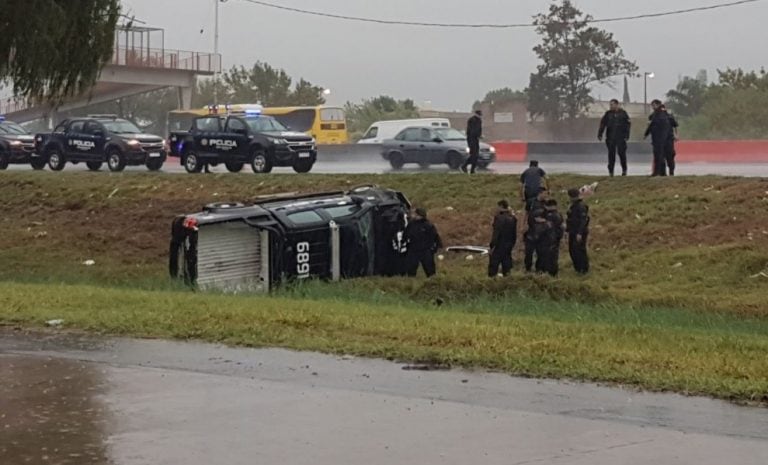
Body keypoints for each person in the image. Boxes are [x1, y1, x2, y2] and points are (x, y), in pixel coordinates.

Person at [404, 207, 443, 277]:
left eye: (414, 214)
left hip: (425, 250)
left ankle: (432, 283)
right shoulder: (411, 224)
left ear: (419, 215)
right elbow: (406, 235)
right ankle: (410, 284)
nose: (413, 215)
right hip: (413, 250)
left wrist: (434, 249)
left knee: (430, 270)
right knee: (411, 270)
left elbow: (435, 237)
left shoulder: (428, 225)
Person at [597, 99, 631, 176]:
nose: (610, 106)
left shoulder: (623, 113)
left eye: (612, 104)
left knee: (622, 153)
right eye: (610, 105)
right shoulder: (608, 114)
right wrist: (600, 134)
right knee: (611, 155)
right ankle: (611, 171)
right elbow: (603, 124)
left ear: (616, 104)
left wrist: (627, 135)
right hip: (611, 137)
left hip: (621, 137)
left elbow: (628, 125)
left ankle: (624, 170)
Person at [488, 200, 518, 277]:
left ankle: (492, 280)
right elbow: (514, 234)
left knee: (494, 265)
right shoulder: (513, 218)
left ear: (501, 206)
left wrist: (492, 245)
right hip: (509, 244)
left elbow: (496, 233)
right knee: (507, 263)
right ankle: (507, 279)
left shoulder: (499, 218)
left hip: (499, 244)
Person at [644, 99, 672, 176]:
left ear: (658, 105)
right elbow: (651, 125)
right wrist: (646, 134)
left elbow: (664, 127)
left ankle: (658, 172)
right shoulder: (654, 115)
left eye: (654, 105)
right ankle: (660, 172)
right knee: (658, 155)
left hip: (660, 138)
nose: (653, 107)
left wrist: (663, 138)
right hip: (656, 138)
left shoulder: (662, 115)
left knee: (660, 156)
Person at [566, 188, 590, 274]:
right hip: (573, 231)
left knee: (579, 250)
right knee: (572, 250)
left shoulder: (580, 206)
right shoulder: (573, 205)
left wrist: (579, 233)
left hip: (579, 232)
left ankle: (583, 269)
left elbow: (583, 220)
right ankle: (578, 268)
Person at [541, 199, 564, 276]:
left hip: (550, 239)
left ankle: (550, 273)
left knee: (549, 257)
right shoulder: (559, 214)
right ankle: (553, 272)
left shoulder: (551, 216)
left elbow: (548, 227)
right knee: (554, 256)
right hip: (556, 238)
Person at [524, 203, 549, 273]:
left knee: (529, 254)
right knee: (540, 255)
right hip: (538, 239)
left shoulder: (532, 215)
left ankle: (529, 269)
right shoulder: (545, 220)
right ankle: (538, 269)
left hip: (531, 237)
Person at [462, 109, 483, 174]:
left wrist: (479, 135)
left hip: (475, 139)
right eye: (479, 115)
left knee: (475, 155)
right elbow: (473, 131)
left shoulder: (479, 120)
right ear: (476, 114)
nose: (480, 116)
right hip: (471, 139)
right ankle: (465, 166)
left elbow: (478, 130)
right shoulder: (473, 120)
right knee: (474, 155)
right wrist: (478, 135)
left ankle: (471, 169)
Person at [662, 104, 679, 176]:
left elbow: (675, 126)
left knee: (670, 156)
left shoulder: (669, 117)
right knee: (661, 157)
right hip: (661, 140)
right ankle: (663, 173)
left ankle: (671, 172)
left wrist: (676, 135)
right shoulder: (655, 116)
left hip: (669, 139)